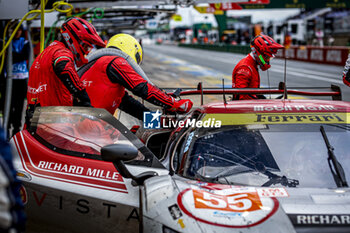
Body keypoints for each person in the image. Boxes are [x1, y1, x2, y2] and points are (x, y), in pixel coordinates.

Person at [80, 33, 193, 120]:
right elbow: (142, 88)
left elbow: (128, 104)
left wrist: (156, 120)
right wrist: (173, 103)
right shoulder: (115, 62)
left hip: (84, 126)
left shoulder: (99, 64)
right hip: (89, 130)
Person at [25, 17, 105, 126]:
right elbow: (64, 67)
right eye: (86, 46)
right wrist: (84, 99)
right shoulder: (61, 52)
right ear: (74, 39)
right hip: (52, 123)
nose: (87, 51)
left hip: (38, 120)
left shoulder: (47, 52)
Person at [232, 34, 284, 100]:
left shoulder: (253, 64)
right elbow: (242, 97)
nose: (267, 60)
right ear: (258, 53)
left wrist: (265, 99)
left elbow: (252, 91)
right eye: (267, 57)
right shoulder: (245, 68)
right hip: (244, 108)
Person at [8, 25, 29, 137]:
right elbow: (7, 56)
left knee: (19, 106)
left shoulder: (25, 43)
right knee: (8, 105)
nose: (17, 32)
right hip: (9, 80)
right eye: (14, 30)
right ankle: (7, 127)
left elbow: (23, 56)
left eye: (19, 30)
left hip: (21, 78)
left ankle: (16, 131)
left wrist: (12, 56)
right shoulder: (6, 42)